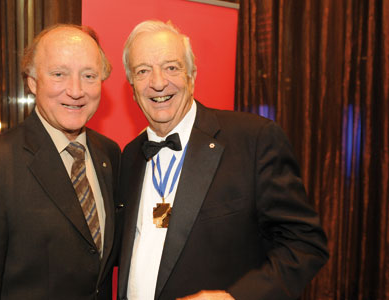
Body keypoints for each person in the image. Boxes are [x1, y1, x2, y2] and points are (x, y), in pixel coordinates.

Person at [118, 20, 329, 300]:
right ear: (132, 87)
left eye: (171, 67)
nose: (157, 82)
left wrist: (235, 298)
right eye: (143, 71)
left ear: (192, 76)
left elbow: (305, 244)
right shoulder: (130, 154)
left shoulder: (254, 139)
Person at [0, 24, 121, 300]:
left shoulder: (108, 154)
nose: (76, 90)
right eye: (58, 74)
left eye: (89, 75)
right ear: (32, 81)